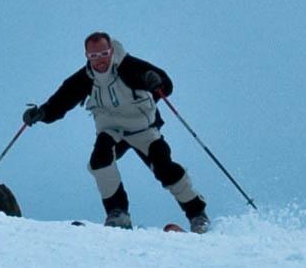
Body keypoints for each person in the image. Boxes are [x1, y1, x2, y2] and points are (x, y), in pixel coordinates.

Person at [22, 31, 210, 233]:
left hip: (142, 128)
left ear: (111, 50)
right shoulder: (85, 78)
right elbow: (61, 101)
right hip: (112, 130)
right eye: (93, 56)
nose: (99, 60)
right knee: (99, 160)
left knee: (164, 167)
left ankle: (197, 214)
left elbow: (165, 84)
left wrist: (156, 82)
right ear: (87, 56)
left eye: (103, 54)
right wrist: (41, 113)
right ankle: (117, 213)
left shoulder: (130, 67)